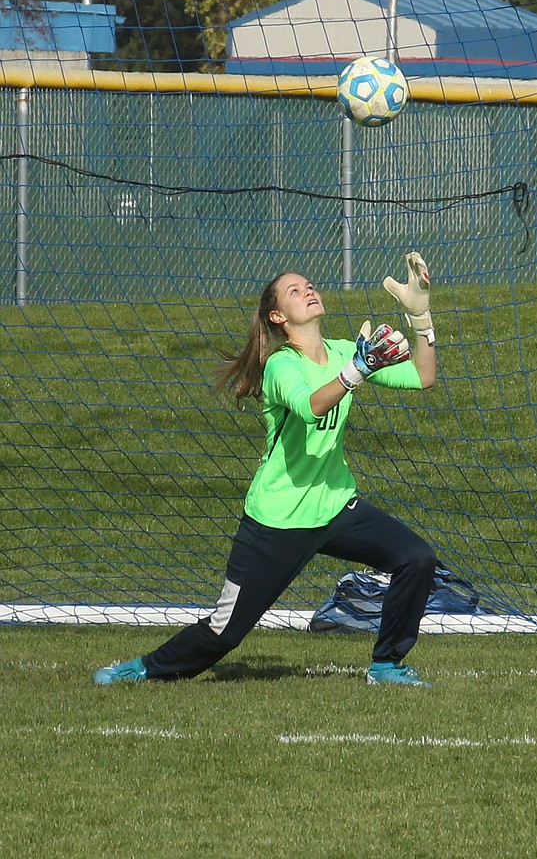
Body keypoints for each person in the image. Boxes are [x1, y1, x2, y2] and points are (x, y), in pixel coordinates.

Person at [94, 252, 439, 688]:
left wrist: (420, 316)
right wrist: (359, 368)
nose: (309, 290)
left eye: (309, 285)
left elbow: (424, 377)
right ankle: (144, 668)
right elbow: (312, 407)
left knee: (416, 558)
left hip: (335, 505)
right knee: (225, 632)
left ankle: (387, 665)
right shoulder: (281, 365)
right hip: (277, 519)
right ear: (278, 315)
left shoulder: (342, 352)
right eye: (295, 291)